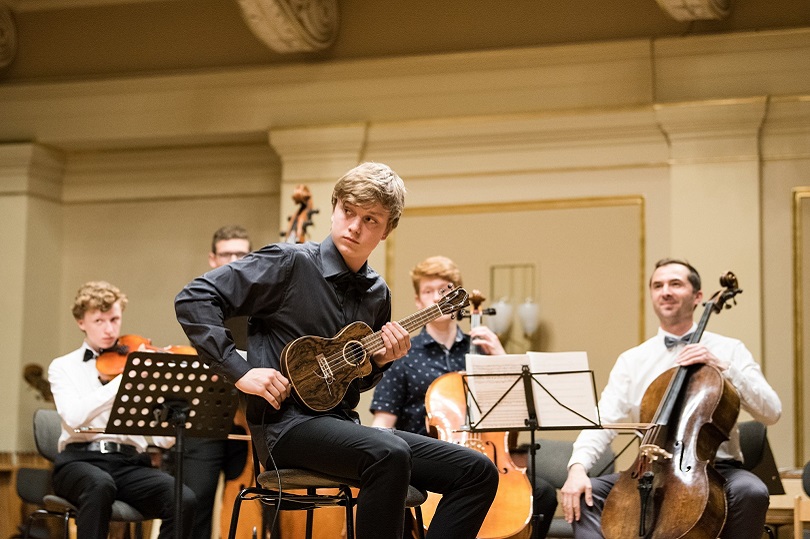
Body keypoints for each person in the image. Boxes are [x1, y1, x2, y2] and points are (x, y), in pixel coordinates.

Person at [175, 162, 499, 539]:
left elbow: (348, 385)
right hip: (285, 429)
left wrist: (378, 362)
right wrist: (240, 369)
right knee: (388, 452)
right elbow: (195, 298)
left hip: (342, 428)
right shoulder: (288, 263)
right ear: (334, 208)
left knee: (477, 471)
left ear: (386, 230)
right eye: (348, 211)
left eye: (371, 219)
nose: (355, 226)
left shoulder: (378, 293)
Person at [560, 258, 782, 539]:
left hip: (715, 469)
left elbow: (771, 412)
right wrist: (577, 468)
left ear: (698, 297)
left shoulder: (730, 350)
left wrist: (723, 366)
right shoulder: (633, 360)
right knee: (584, 495)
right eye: (657, 285)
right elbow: (603, 421)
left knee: (751, 491)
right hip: (649, 470)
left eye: (675, 284)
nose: (665, 291)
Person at [370, 255, 559, 538]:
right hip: (429, 463)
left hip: (487, 457)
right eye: (428, 291)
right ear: (418, 301)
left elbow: (520, 414)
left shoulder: (481, 347)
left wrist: (501, 359)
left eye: (445, 290)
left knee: (543, 494)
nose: (437, 298)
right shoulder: (403, 355)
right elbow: (383, 424)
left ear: (459, 298)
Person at [48, 281, 197, 539]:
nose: (109, 329)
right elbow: (72, 418)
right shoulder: (62, 367)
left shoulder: (137, 364)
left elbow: (161, 441)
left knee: (183, 498)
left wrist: (176, 411)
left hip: (129, 463)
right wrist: (122, 382)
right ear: (81, 322)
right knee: (99, 484)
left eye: (114, 319)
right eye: (99, 321)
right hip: (79, 461)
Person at [181, 224, 252, 539]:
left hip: (254, 414)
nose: (234, 260)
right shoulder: (199, 299)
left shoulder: (263, 302)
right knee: (195, 500)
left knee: (255, 501)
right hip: (206, 412)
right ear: (213, 258)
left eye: (241, 254)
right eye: (227, 254)